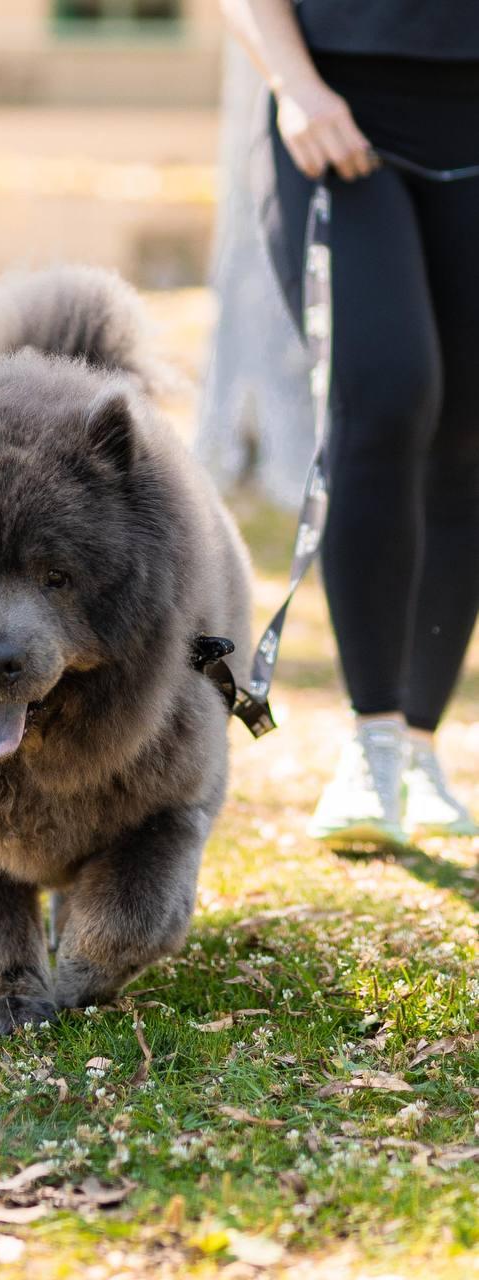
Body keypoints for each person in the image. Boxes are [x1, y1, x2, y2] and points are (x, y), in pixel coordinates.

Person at [220, 0, 479, 844]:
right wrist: (295, 86)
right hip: (334, 111)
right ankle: (368, 745)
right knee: (386, 390)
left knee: (467, 435)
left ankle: (415, 749)